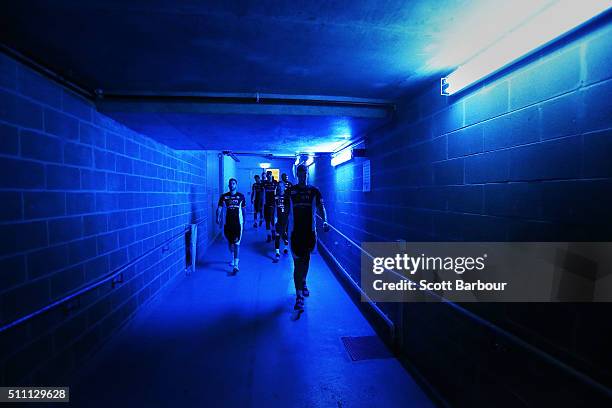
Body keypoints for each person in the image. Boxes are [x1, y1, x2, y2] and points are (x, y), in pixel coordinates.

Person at [285, 164, 329, 311]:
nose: (302, 175)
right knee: (298, 264)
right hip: (295, 234)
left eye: (305, 173)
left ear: (308, 174)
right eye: (300, 173)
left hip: (310, 234)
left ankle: (304, 281)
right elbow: (285, 212)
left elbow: (321, 207)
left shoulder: (314, 191)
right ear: (297, 174)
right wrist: (282, 228)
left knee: (306, 260)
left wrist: (325, 220)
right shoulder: (290, 191)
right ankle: (298, 296)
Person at [216, 178, 247, 275]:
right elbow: (219, 208)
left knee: (237, 243)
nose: (232, 185)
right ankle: (233, 256)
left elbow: (244, 210)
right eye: (230, 184)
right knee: (230, 243)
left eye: (233, 183)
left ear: (236, 185)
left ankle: (236, 265)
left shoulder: (241, 196)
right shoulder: (224, 197)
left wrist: (244, 221)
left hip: (238, 223)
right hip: (227, 224)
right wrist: (218, 218)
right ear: (228, 186)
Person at [272, 180, 289, 262]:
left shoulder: (287, 196)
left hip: (286, 218)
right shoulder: (275, 197)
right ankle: (277, 252)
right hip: (278, 218)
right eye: (279, 186)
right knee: (277, 234)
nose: (280, 188)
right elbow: (275, 208)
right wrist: (275, 218)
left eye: (281, 186)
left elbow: (290, 208)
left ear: (284, 187)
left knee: (285, 234)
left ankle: (286, 247)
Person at [262, 170, 278, 243]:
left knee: (272, 220)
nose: (268, 176)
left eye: (269, 174)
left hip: (273, 204)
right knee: (267, 220)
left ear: (271, 175)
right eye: (267, 175)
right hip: (266, 204)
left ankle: (273, 232)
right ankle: (269, 235)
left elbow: (279, 191)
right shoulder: (264, 183)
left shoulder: (275, 182)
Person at [279, 173, 293, 246]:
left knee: (288, 219)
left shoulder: (290, 184)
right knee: (283, 219)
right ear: (282, 177)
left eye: (287, 176)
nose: (286, 178)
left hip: (289, 204)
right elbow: (278, 193)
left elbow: (292, 193)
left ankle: (286, 232)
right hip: (281, 204)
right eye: (285, 177)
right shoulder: (280, 184)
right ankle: (283, 232)